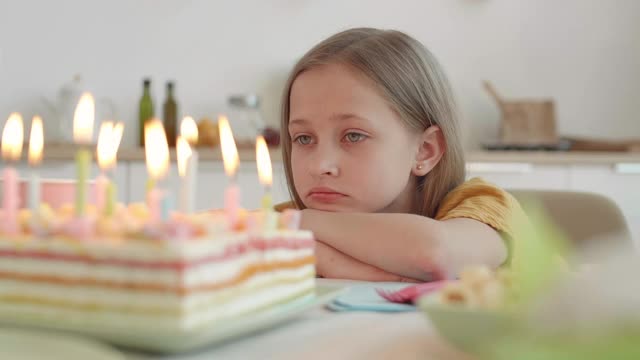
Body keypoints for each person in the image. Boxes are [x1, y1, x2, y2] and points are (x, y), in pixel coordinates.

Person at [276, 28, 524, 282]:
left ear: (424, 150)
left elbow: (432, 255)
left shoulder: (488, 207)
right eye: (304, 138)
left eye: (353, 136)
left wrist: (300, 224)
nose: (319, 165)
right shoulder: (294, 221)